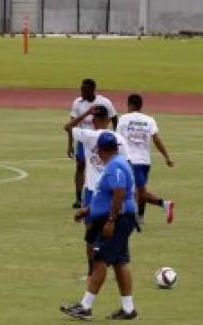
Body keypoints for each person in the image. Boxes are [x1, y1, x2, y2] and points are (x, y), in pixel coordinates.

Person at [60, 132, 139, 321]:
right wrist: (87, 210)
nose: (97, 155)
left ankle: (85, 306)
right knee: (120, 262)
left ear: (103, 150)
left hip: (117, 220)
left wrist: (111, 220)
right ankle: (128, 309)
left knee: (100, 260)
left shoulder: (115, 166)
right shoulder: (116, 163)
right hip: (117, 218)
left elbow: (119, 193)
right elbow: (106, 195)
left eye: (98, 151)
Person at [67, 106, 127, 280]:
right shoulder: (119, 139)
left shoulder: (87, 135)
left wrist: (84, 114)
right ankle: (113, 268)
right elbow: (127, 165)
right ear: (108, 120)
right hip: (113, 190)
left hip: (92, 191)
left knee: (90, 235)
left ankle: (92, 272)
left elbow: (68, 127)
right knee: (112, 232)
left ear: (93, 120)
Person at [116, 94, 175, 225]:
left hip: (130, 160)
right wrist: (166, 156)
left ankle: (165, 204)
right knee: (140, 190)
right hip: (145, 161)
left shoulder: (124, 119)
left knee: (138, 192)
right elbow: (157, 140)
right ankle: (140, 217)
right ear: (141, 106)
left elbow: (118, 140)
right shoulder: (149, 120)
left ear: (130, 105)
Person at [69, 79, 117, 209]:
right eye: (81, 89)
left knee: (101, 166)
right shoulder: (77, 103)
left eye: (85, 90)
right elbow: (71, 124)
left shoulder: (104, 102)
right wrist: (70, 145)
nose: (82, 92)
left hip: (101, 139)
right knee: (80, 166)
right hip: (83, 139)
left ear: (93, 90)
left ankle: (103, 193)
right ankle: (79, 197)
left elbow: (114, 117)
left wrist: (115, 134)